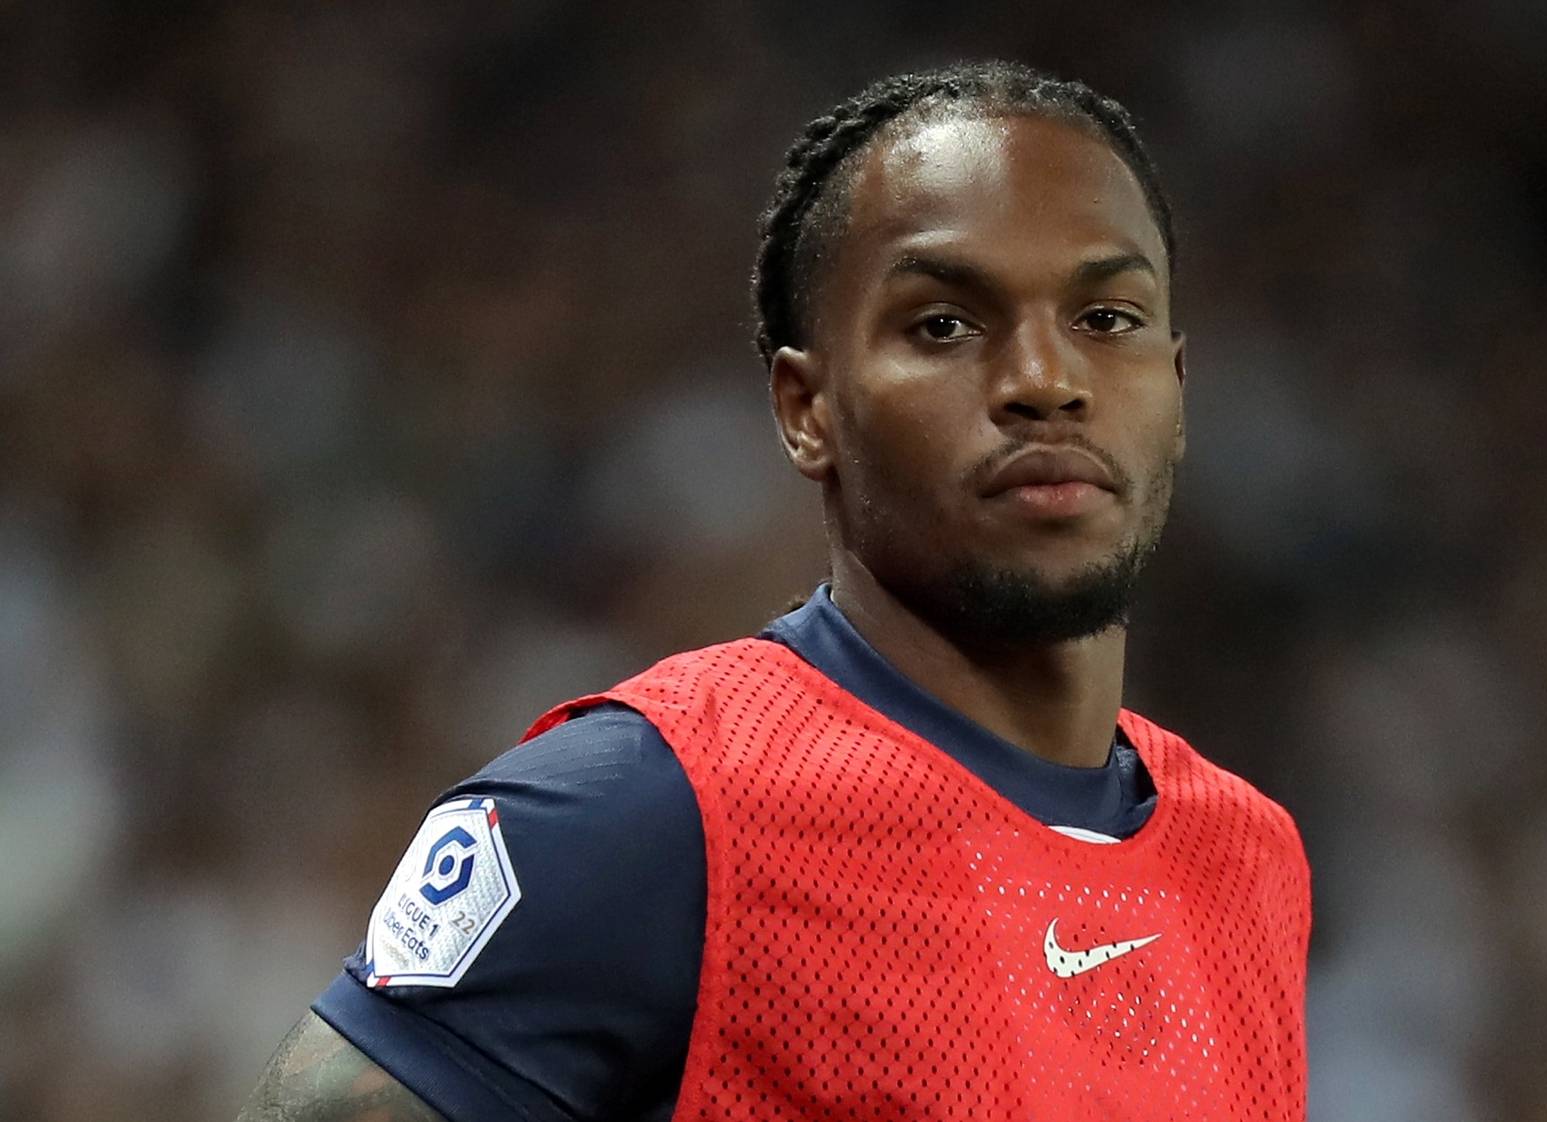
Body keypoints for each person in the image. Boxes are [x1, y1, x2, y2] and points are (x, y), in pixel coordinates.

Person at [237, 59, 1310, 1122]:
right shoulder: (641, 813)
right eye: (943, 324)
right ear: (807, 408)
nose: (1044, 379)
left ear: (1176, 384)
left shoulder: (1251, 860)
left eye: (1107, 318)